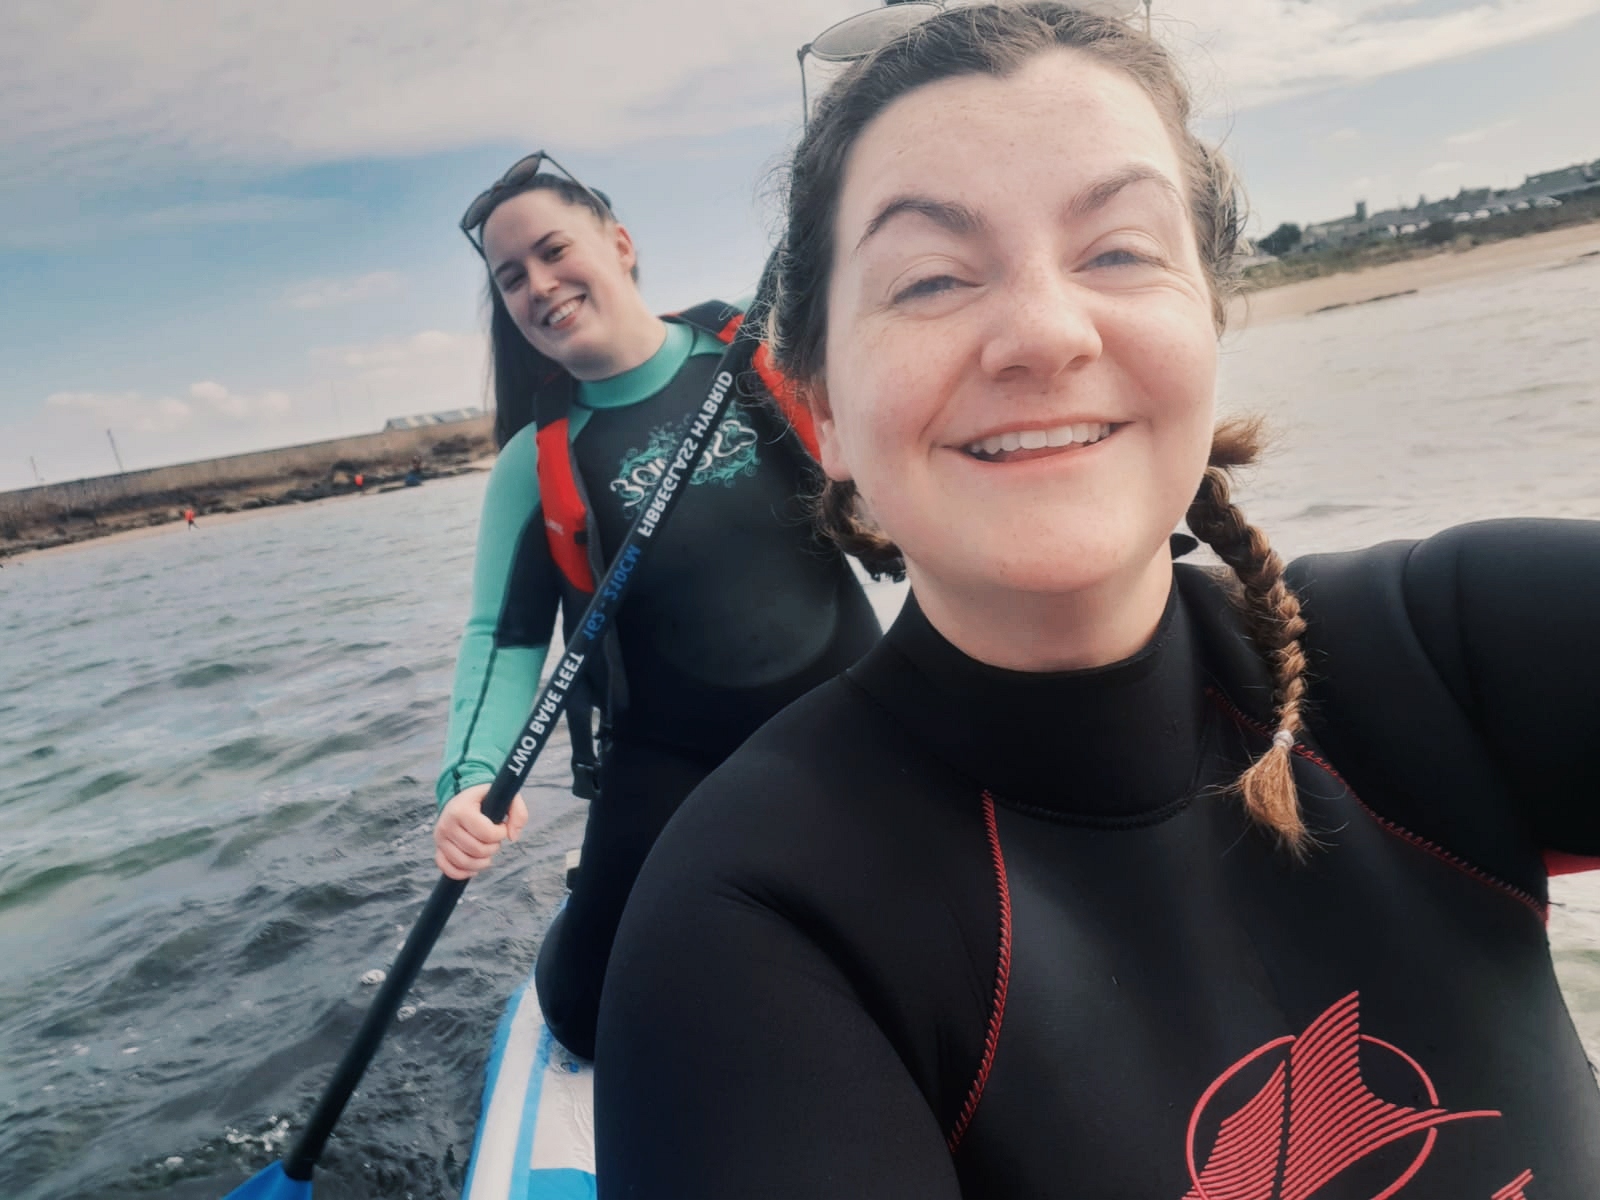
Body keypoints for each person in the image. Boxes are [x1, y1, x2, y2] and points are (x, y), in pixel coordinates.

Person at [595, 5, 1600, 1196]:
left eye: (1117, 250)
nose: (1042, 332)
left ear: (1207, 319)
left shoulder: (1447, 652)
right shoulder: (747, 925)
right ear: (818, 414)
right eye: (927, 278)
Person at [432, 153, 881, 1059]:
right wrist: (471, 776)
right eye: (511, 278)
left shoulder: (763, 359)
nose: (538, 285)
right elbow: (504, 634)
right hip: (670, 751)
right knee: (585, 1012)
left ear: (621, 243)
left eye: (554, 251)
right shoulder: (537, 462)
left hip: (853, 711)